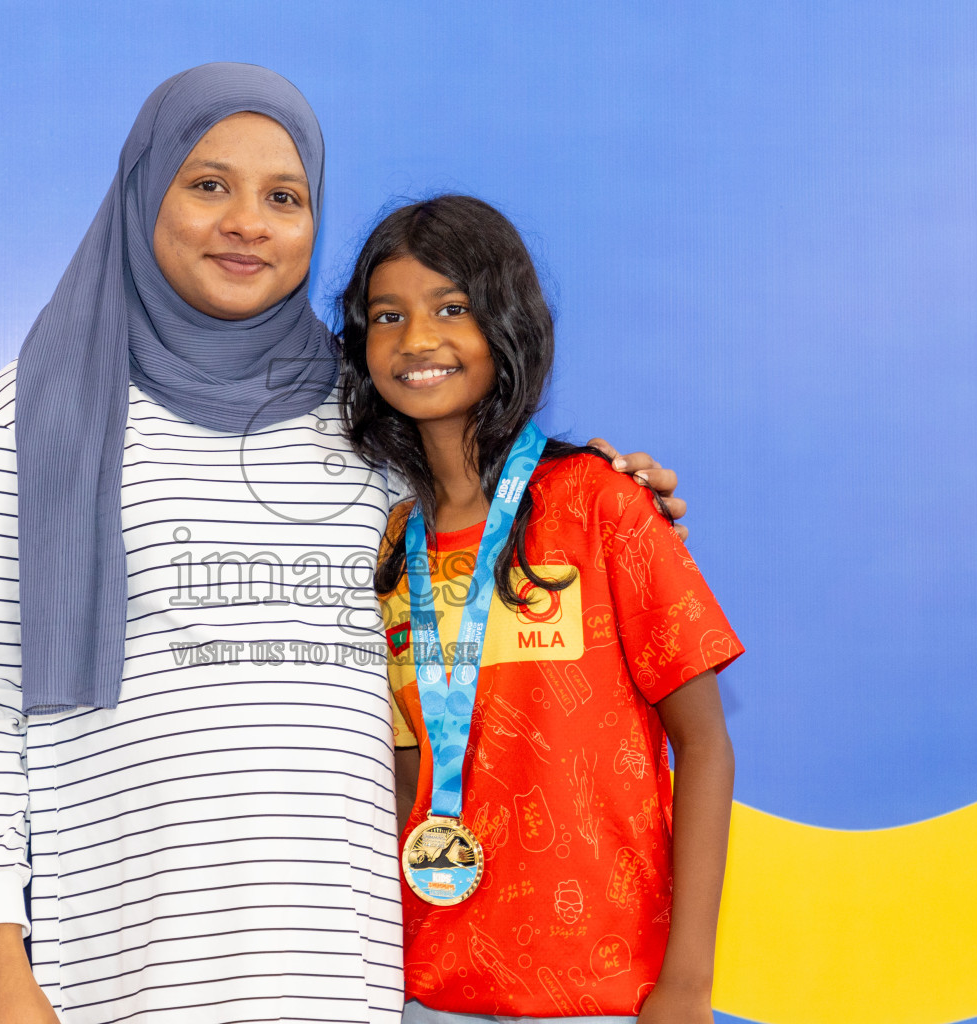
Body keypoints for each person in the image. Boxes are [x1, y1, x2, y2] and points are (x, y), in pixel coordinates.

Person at [0, 66, 687, 1024]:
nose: (248, 222)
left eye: (284, 197)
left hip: (347, 972)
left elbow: (483, 514)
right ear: (141, 191)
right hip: (116, 971)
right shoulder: (28, 414)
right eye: (208, 185)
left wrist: (602, 487)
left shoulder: (374, 414)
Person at [337, 194, 742, 1024]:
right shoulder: (387, 545)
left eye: (452, 308)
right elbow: (409, 767)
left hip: (606, 988)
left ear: (507, 325)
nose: (417, 339)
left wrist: (688, 983)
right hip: (431, 988)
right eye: (388, 315)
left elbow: (704, 743)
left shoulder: (603, 505)